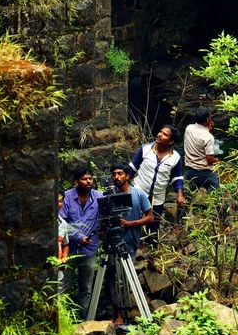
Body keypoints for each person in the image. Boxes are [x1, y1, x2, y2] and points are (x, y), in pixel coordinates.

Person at [108, 163, 153, 324]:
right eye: (114, 174)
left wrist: (130, 224)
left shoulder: (138, 194)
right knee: (113, 278)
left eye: (120, 173)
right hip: (112, 243)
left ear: (127, 176)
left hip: (130, 243)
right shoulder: (109, 196)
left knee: (125, 279)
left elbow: (150, 217)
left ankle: (127, 313)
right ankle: (117, 313)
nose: (116, 177)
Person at [59, 166, 103, 319]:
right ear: (76, 182)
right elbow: (61, 221)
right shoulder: (67, 197)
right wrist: (78, 236)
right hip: (68, 249)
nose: (88, 181)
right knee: (63, 285)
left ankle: (83, 319)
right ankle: (62, 319)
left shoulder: (99, 196)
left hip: (89, 249)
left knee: (86, 288)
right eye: (84, 179)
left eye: (90, 178)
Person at [129, 125, 185, 236]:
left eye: (165, 134)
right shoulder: (145, 149)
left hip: (158, 197)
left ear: (171, 141)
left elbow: (177, 177)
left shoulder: (175, 157)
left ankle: (151, 247)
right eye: (160, 132)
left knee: (153, 226)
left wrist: (180, 194)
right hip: (139, 191)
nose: (160, 135)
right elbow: (132, 168)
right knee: (133, 220)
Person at [184, 107, 219, 192]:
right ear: (207, 119)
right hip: (206, 172)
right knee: (216, 196)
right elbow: (209, 160)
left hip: (190, 171)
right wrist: (217, 160)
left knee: (188, 196)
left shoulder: (188, 128)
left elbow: (199, 136)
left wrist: (207, 130)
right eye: (210, 116)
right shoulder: (209, 137)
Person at [57, 192, 69, 294]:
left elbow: (65, 244)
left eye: (60, 201)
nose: (58, 204)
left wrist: (64, 258)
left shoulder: (63, 224)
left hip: (59, 275)